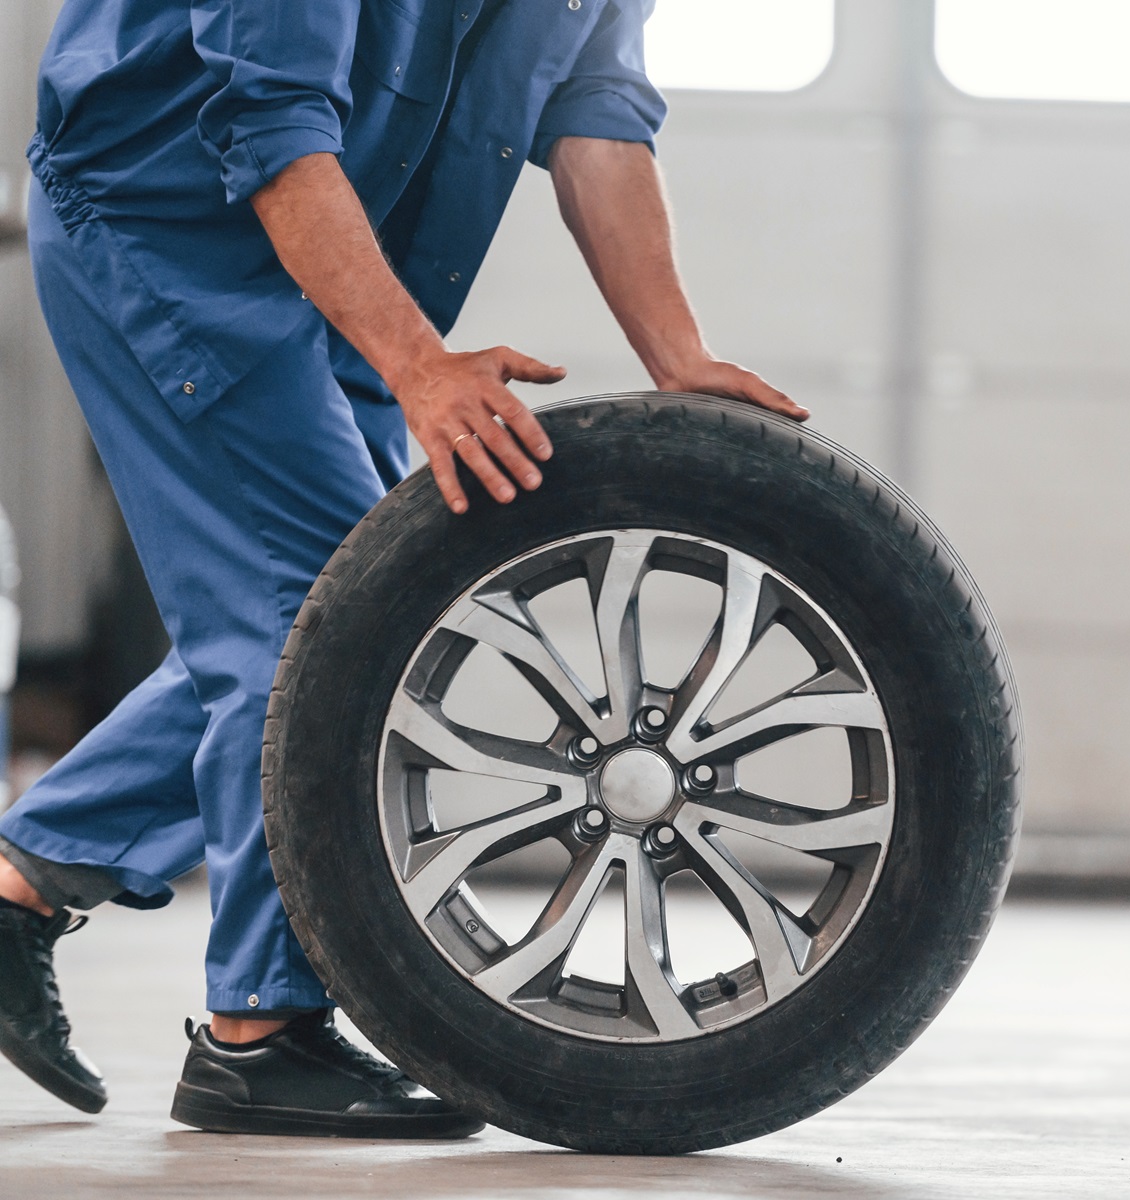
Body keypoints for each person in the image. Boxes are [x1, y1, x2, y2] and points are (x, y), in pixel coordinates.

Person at [0, 0, 803, 1138]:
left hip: (348, 247)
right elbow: (268, 117)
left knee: (340, 605)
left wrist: (678, 352)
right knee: (317, 617)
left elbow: (598, 112)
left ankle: (25, 881)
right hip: (171, 225)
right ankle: (258, 1037)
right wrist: (419, 367)